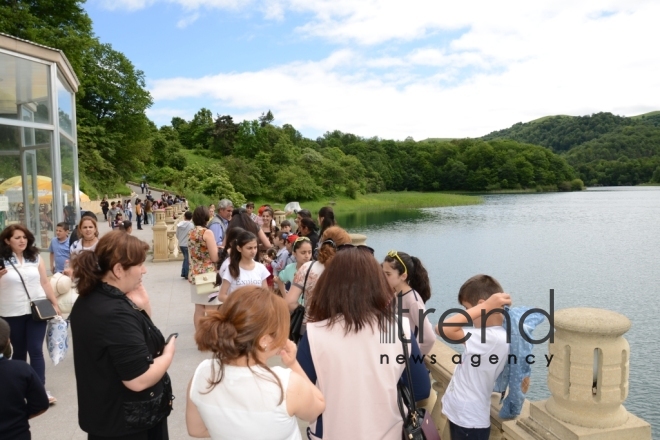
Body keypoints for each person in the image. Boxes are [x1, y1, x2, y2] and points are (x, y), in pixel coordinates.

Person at [296, 247, 431, 439]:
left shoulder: (314, 335)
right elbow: (420, 388)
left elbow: (300, 397)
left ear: (328, 285)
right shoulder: (401, 328)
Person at [69, 231, 176, 439]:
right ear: (118, 269)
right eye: (139, 265)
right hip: (127, 424)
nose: (144, 270)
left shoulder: (91, 298)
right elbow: (138, 379)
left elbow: (135, 338)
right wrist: (168, 354)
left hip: (108, 416)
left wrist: (142, 305)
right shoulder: (114, 313)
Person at [186, 286, 325, 439]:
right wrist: (293, 364)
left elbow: (195, 430)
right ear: (264, 340)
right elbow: (318, 405)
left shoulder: (203, 373)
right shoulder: (285, 384)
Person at [435, 275, 511, 440]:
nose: (467, 314)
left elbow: (442, 328)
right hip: (465, 418)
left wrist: (484, 308)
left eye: (467, 309)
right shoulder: (487, 335)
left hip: (469, 423)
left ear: (482, 306)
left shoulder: (492, 338)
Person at [0, 225, 61, 404]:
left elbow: (44, 282)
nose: (22, 240)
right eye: (17, 237)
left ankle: (39, 390)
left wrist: (55, 304)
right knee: (18, 352)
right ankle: (19, 389)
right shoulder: (2, 260)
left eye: (24, 237)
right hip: (11, 312)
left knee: (35, 350)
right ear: (7, 241)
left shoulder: (34, 257)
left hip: (37, 310)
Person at [0, 317, 50, 440]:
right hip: (16, 433)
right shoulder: (21, 370)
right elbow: (41, 405)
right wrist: (19, 416)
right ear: (8, 341)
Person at [284, 227, 351, 315]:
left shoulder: (306, 267)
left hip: (311, 324)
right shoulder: (350, 270)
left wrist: (306, 312)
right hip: (340, 325)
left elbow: (289, 303)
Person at [382, 250, 435, 355]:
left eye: (388, 274)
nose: (383, 278)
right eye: (382, 273)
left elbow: (429, 338)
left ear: (403, 276)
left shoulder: (413, 301)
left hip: (406, 359)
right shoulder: (396, 295)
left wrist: (416, 359)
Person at [188, 206, 220, 330]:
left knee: (199, 308)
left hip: (195, 273)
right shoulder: (207, 233)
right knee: (212, 308)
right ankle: (211, 336)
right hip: (208, 274)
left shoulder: (191, 232)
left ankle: (200, 336)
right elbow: (214, 257)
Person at [218, 231, 269, 302]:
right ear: (239, 248)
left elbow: (265, 293)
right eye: (249, 248)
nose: (253, 251)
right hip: (238, 311)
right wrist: (239, 303)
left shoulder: (261, 268)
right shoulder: (232, 269)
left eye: (255, 247)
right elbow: (221, 296)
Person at [176, 211, 194, 279]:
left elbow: (177, 235)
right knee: (187, 259)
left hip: (181, 244)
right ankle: (186, 273)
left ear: (184, 217)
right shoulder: (191, 225)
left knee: (185, 258)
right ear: (191, 217)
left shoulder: (179, 225)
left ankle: (184, 272)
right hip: (187, 244)